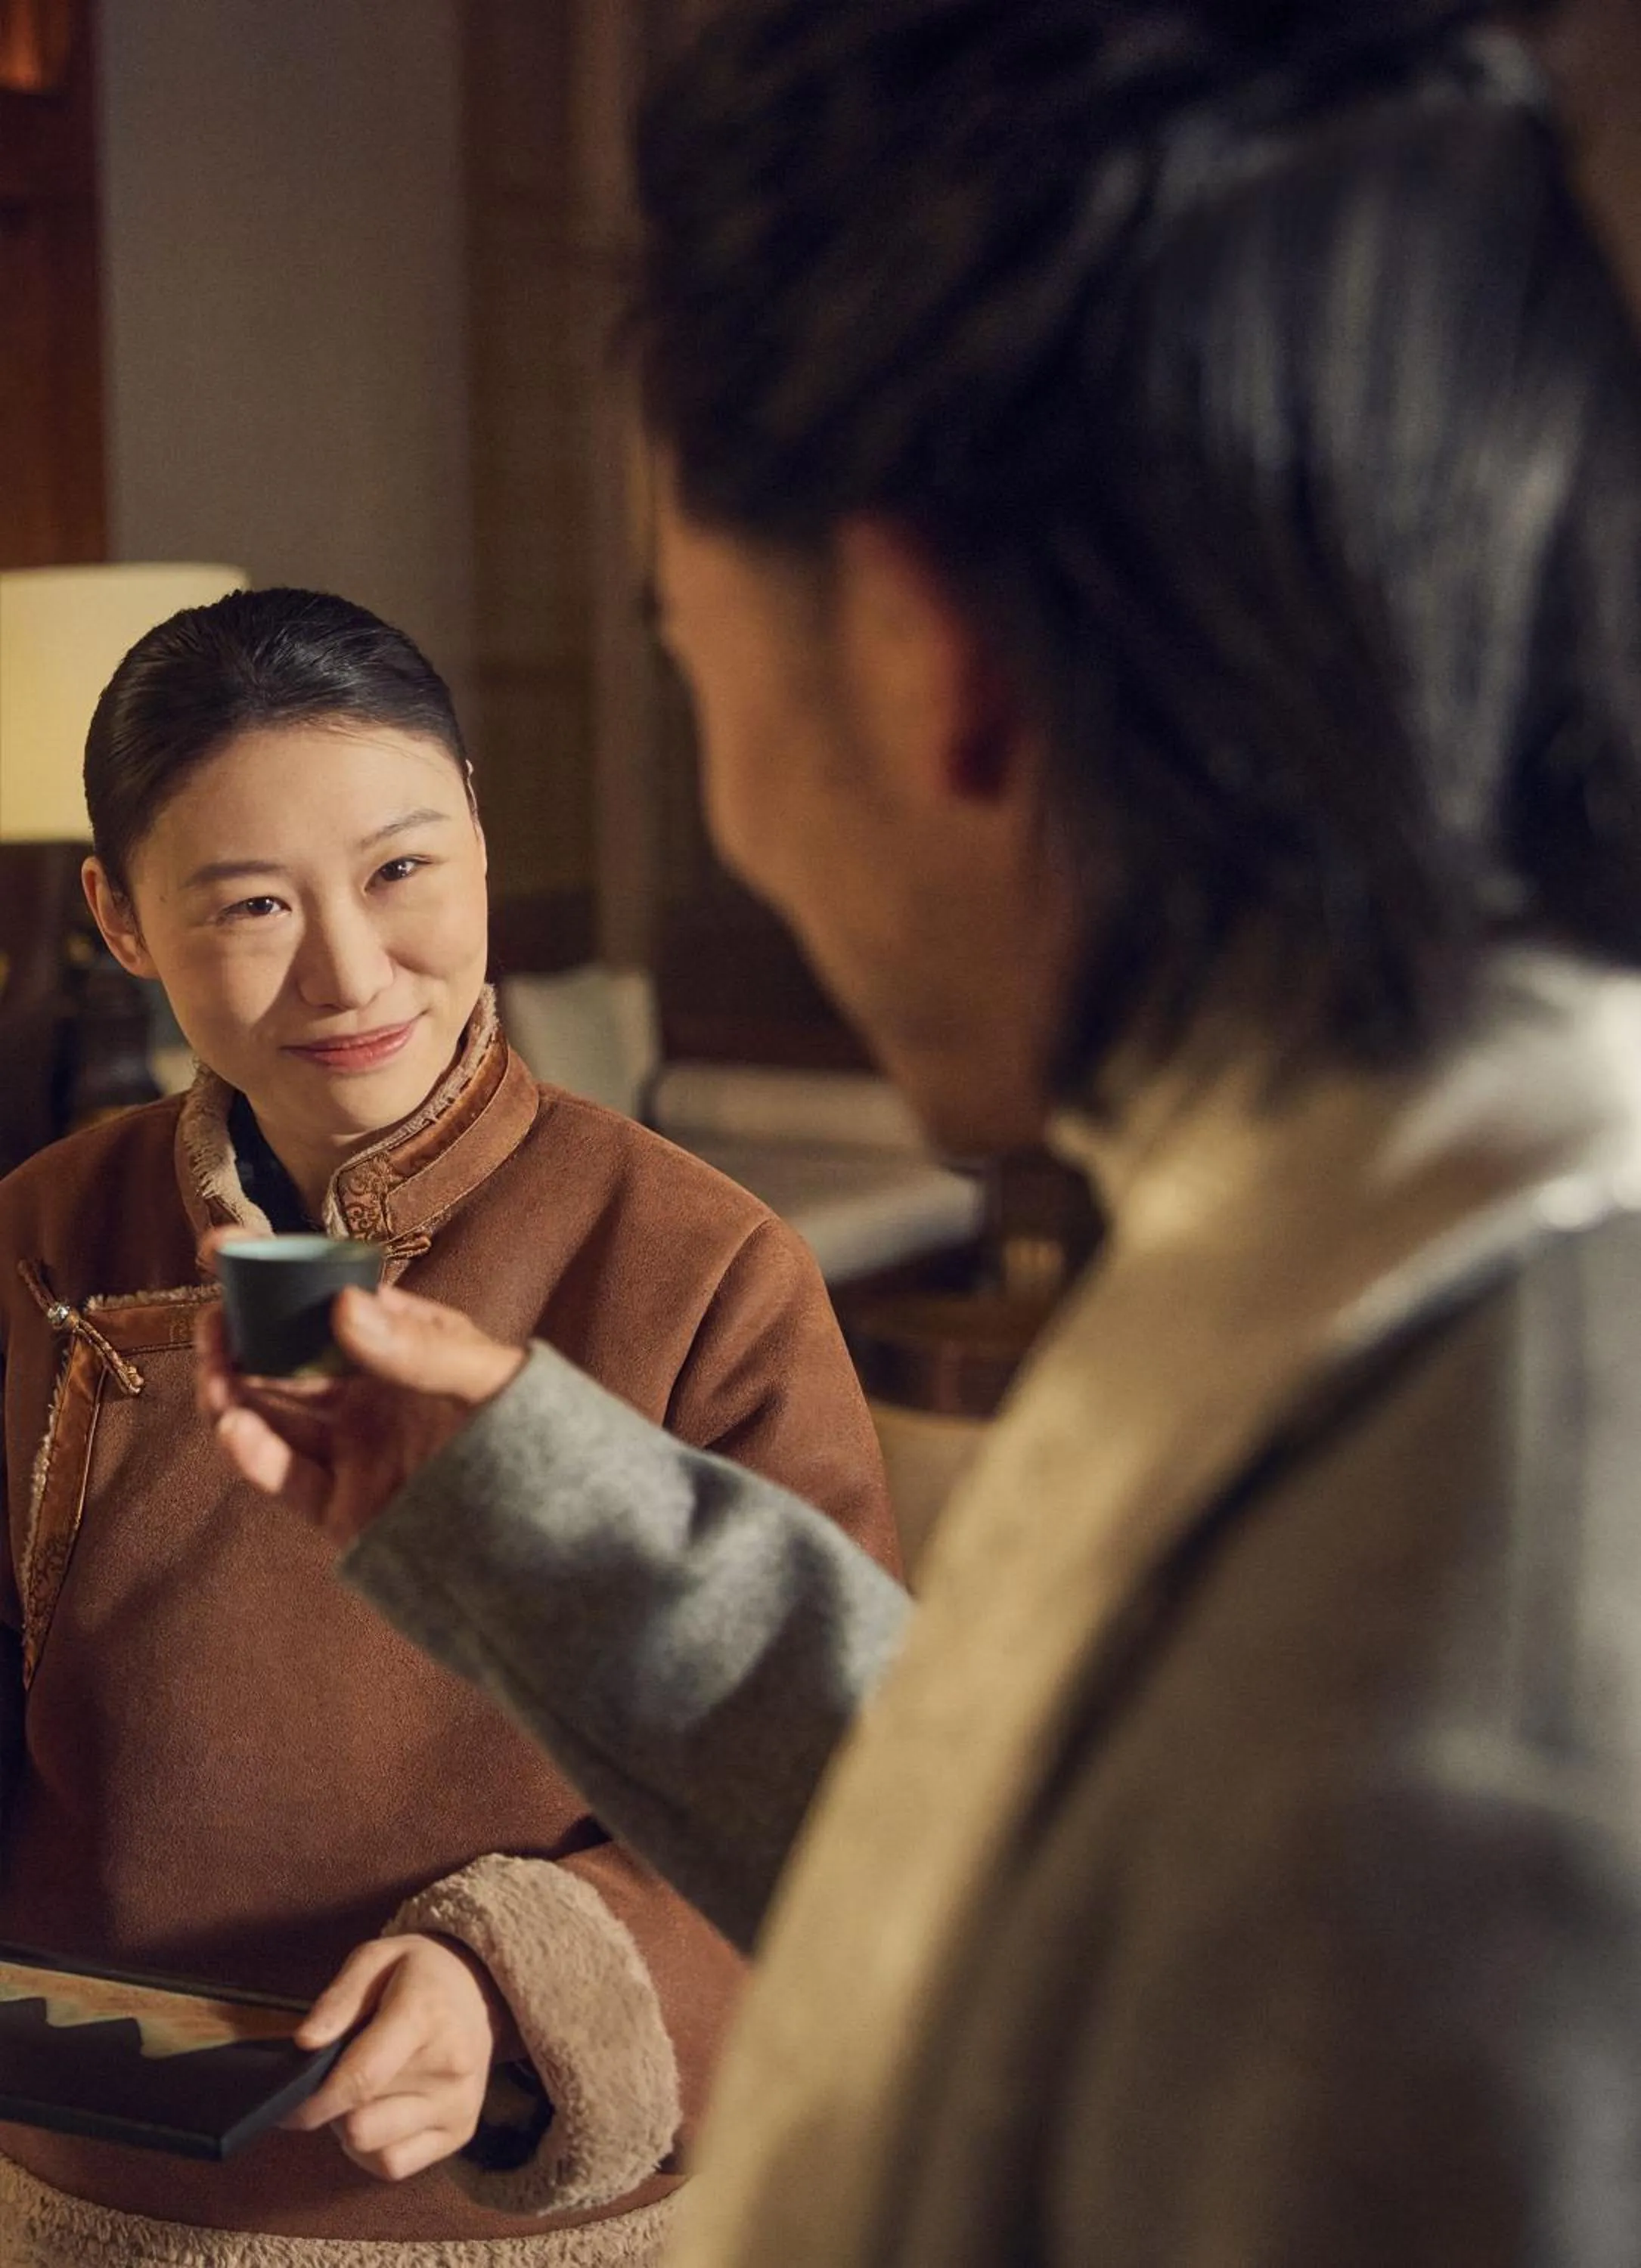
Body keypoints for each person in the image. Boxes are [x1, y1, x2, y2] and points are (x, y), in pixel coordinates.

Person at [209, 0, 1641, 2261]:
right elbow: (1058, 1868)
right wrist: (533, 1518)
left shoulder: (1497, 1674)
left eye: (691, 659)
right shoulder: (1349, 1241)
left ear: (924, 662)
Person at [0, 584, 898, 2267]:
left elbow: (854, 1816)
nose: (351, 970)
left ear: (479, 833)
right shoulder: (43, 1236)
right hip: (85, 2199)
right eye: (253, 903)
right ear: (120, 919)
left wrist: (522, 1988)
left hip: (520, 2222)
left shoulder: (695, 1266)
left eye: (402, 868)